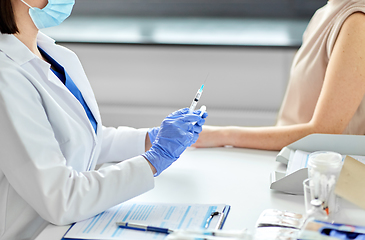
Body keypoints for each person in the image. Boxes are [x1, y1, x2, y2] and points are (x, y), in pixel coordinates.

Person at [0, 0, 207, 239]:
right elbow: (61, 199)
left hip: (70, 227)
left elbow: (79, 140)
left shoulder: (53, 54)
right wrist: (153, 161)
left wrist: (150, 139)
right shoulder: (6, 77)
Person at [194, 0, 365, 151]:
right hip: (289, 157)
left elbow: (324, 133)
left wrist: (224, 135)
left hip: (319, 173)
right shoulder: (324, 13)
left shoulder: (357, 22)